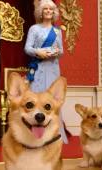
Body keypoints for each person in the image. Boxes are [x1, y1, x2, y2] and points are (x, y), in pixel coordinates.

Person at [24, 0, 69, 143]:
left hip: (52, 69)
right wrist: (39, 52)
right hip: (38, 69)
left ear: (54, 12)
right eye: (45, 9)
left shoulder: (57, 31)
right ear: (41, 12)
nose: (48, 11)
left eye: (51, 9)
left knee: (52, 102)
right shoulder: (34, 29)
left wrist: (54, 52)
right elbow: (27, 48)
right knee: (36, 100)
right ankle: (33, 136)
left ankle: (55, 134)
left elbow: (61, 51)